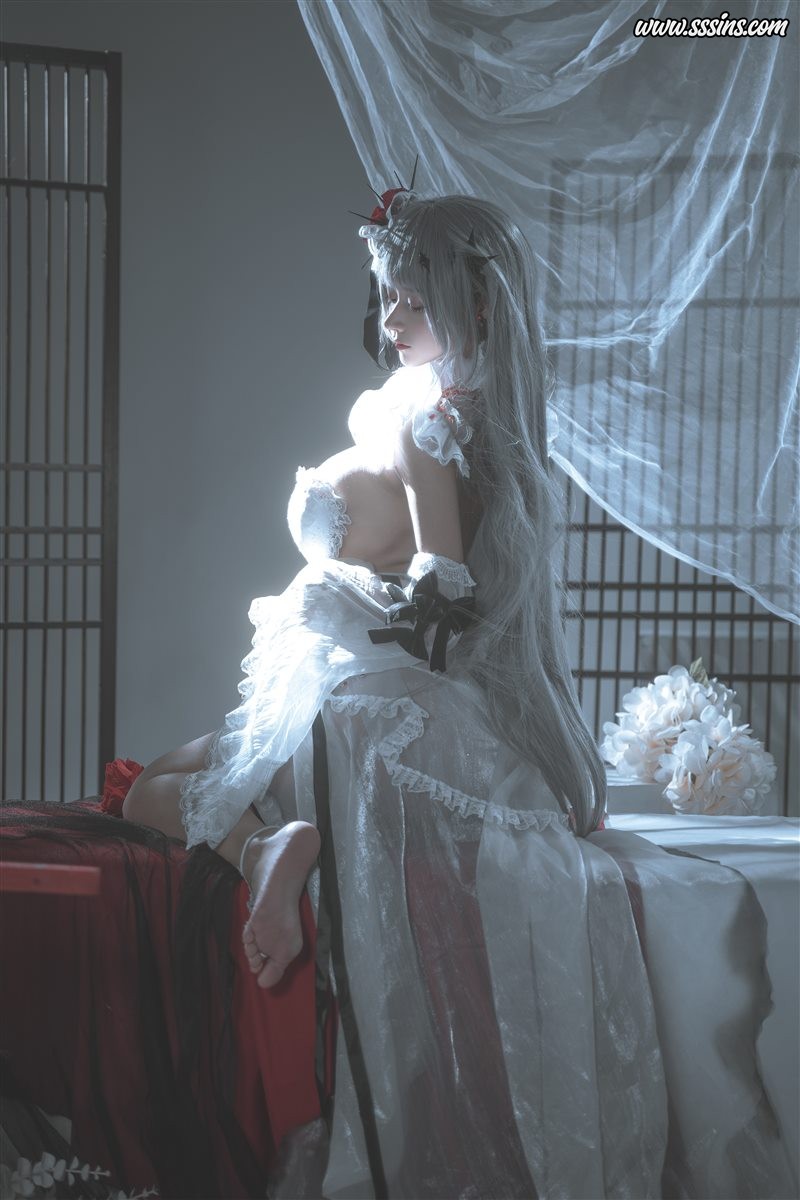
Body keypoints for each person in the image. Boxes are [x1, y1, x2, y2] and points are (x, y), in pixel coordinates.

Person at [121, 186, 793, 1199]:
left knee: (151, 790)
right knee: (158, 783)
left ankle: (265, 845)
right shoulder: (480, 427)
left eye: (411, 299)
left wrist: (361, 606)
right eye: (387, 296)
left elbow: (444, 588)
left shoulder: (424, 425)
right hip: (376, 700)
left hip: (365, 705)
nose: (390, 319)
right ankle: (264, 844)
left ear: (474, 305)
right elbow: (462, 596)